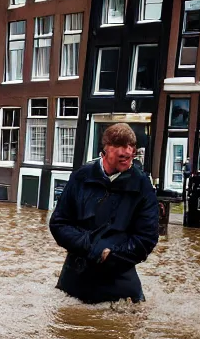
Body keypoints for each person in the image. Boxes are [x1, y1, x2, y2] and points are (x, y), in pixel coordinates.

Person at [49, 123, 159, 304]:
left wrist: (110, 254)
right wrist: (91, 247)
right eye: (120, 146)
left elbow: (146, 238)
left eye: (131, 147)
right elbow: (59, 223)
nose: (127, 152)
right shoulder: (81, 177)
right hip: (75, 281)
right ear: (105, 149)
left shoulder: (142, 186)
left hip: (120, 286)